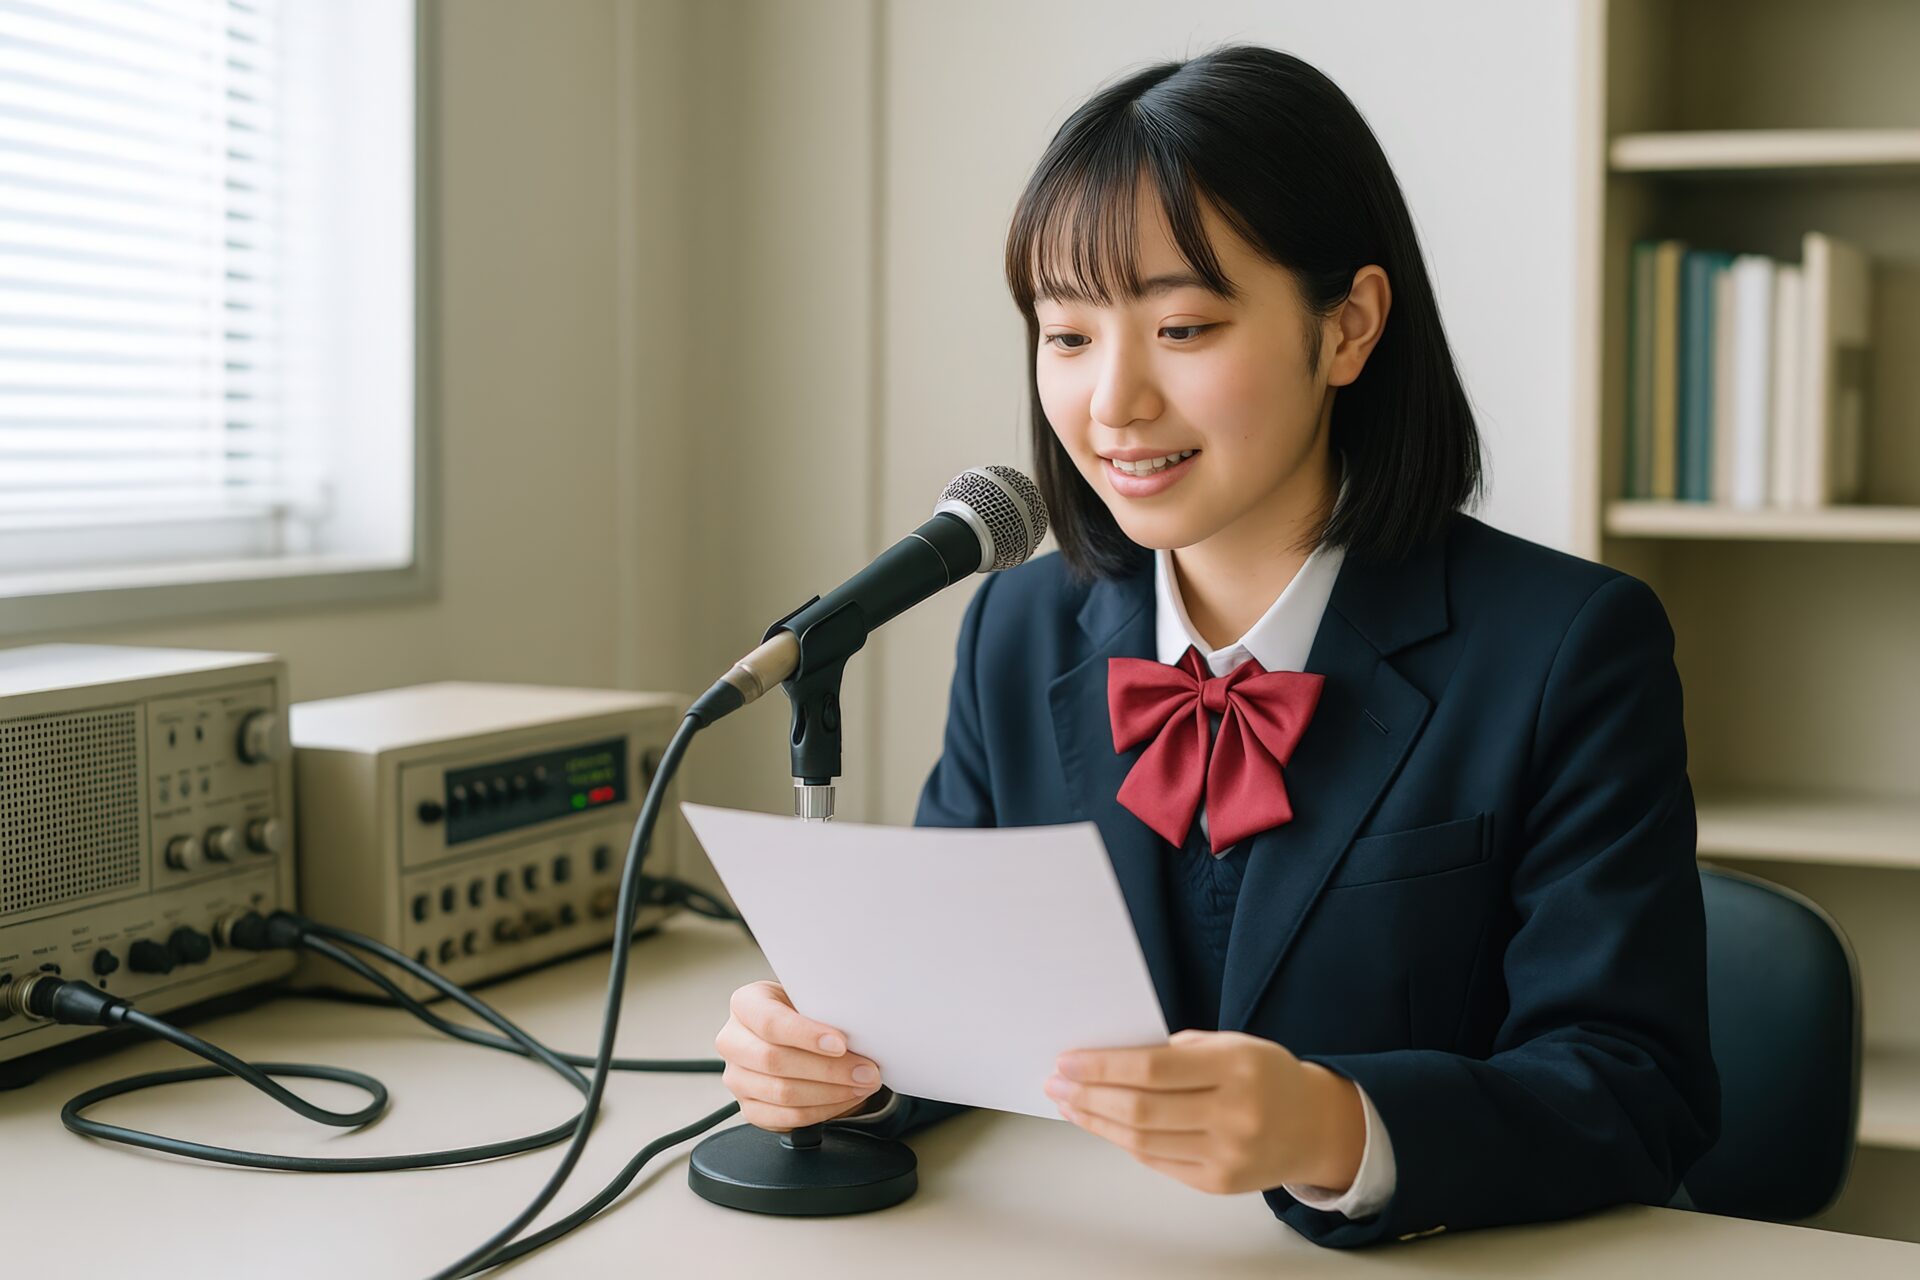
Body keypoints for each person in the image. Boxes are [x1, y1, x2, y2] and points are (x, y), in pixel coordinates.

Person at [713, 42, 1718, 1246]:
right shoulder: (1015, 631)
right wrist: (843, 1065)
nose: (1113, 402)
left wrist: (1340, 1126)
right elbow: (958, 1007)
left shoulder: (1569, 648)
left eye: (1183, 326)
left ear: (1348, 329)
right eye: (1067, 335)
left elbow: (1635, 1088)